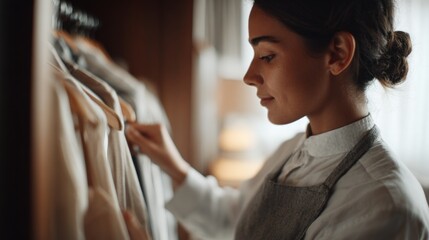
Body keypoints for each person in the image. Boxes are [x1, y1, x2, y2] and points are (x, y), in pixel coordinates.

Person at [125, 0, 429, 239]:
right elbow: (235, 222)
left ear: (337, 54)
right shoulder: (292, 150)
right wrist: (172, 164)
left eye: (267, 56)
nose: (248, 76)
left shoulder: (386, 205)